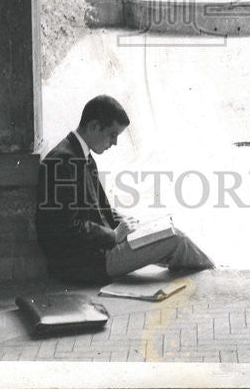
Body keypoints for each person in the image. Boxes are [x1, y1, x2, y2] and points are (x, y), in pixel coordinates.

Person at [36, 95, 214, 283]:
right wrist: (113, 235)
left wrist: (125, 223)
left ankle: (206, 275)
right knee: (176, 239)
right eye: (112, 135)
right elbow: (64, 228)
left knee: (165, 232)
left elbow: (97, 208)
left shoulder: (79, 154)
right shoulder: (61, 162)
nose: (115, 143)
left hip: (96, 253)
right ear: (94, 126)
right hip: (86, 264)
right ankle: (212, 280)